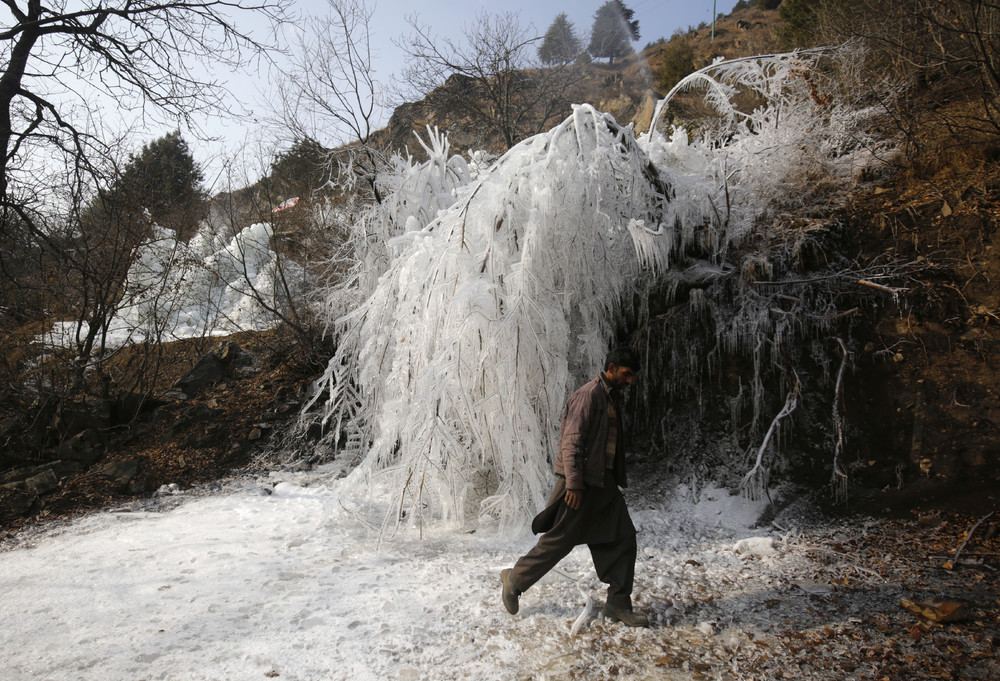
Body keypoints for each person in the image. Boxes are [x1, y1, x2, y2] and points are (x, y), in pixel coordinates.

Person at [500, 348, 649, 627]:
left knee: (622, 537)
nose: (630, 381)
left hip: (604, 486)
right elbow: (572, 443)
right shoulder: (587, 396)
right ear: (612, 367)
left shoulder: (608, 397)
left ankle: (618, 603)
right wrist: (575, 485)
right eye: (627, 374)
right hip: (582, 485)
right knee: (560, 540)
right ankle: (514, 579)